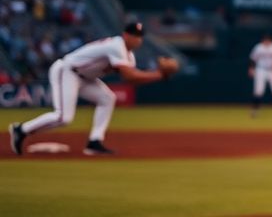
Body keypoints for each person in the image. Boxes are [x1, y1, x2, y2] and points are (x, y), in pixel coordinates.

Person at [8, 23, 179, 156]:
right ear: (125, 35)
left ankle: (94, 142)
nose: (138, 39)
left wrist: (157, 75)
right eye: (134, 35)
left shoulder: (129, 56)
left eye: (140, 37)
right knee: (63, 117)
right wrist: (159, 75)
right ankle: (21, 130)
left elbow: (132, 80)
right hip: (67, 71)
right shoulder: (117, 46)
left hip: (85, 78)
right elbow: (130, 77)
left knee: (107, 98)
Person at [249, 33, 272, 117]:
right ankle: (255, 111)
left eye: (268, 40)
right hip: (261, 70)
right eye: (265, 40)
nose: (266, 41)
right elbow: (252, 58)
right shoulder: (258, 47)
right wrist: (251, 68)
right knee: (258, 91)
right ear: (262, 40)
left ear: (270, 40)